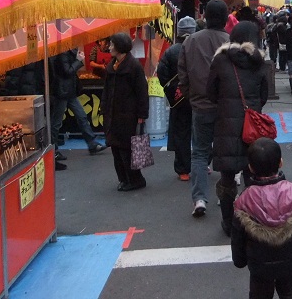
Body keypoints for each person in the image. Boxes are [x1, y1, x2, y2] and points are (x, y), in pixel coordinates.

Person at [231, 137, 292, 299]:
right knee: (290, 292)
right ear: (281, 162)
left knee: (259, 294)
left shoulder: (245, 200)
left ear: (251, 168)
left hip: (259, 266)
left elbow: (238, 237)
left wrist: (240, 260)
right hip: (290, 261)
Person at [208, 21, 269, 236]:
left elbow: (211, 93)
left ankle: (228, 223)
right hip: (252, 127)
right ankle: (253, 218)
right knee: (253, 175)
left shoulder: (220, 60)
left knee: (226, 178)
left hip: (226, 124)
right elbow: (264, 96)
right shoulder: (259, 62)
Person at [178, 0, 230, 217]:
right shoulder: (230, 41)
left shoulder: (190, 42)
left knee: (199, 153)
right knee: (226, 151)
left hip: (200, 105)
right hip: (225, 106)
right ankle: (226, 195)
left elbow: (183, 74)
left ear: (205, 17)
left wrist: (191, 95)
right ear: (227, 19)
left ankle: (199, 199)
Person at [101, 32, 149, 191]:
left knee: (128, 149)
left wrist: (142, 115)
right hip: (113, 114)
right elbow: (106, 90)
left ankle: (135, 179)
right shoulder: (111, 65)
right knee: (116, 149)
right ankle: (123, 179)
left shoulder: (134, 66)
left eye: (112, 44)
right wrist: (104, 107)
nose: (109, 47)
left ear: (120, 46)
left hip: (129, 115)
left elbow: (142, 91)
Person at [50, 48, 106, 170]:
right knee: (56, 122)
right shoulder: (62, 52)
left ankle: (92, 144)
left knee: (82, 116)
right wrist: (78, 61)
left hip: (69, 91)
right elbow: (67, 71)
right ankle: (53, 150)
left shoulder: (68, 51)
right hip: (62, 91)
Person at [157, 16, 197, 181]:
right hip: (199, 97)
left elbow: (162, 73)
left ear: (178, 33)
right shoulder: (199, 48)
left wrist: (172, 92)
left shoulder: (171, 51)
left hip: (179, 99)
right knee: (201, 131)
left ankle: (183, 169)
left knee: (181, 133)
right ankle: (203, 163)